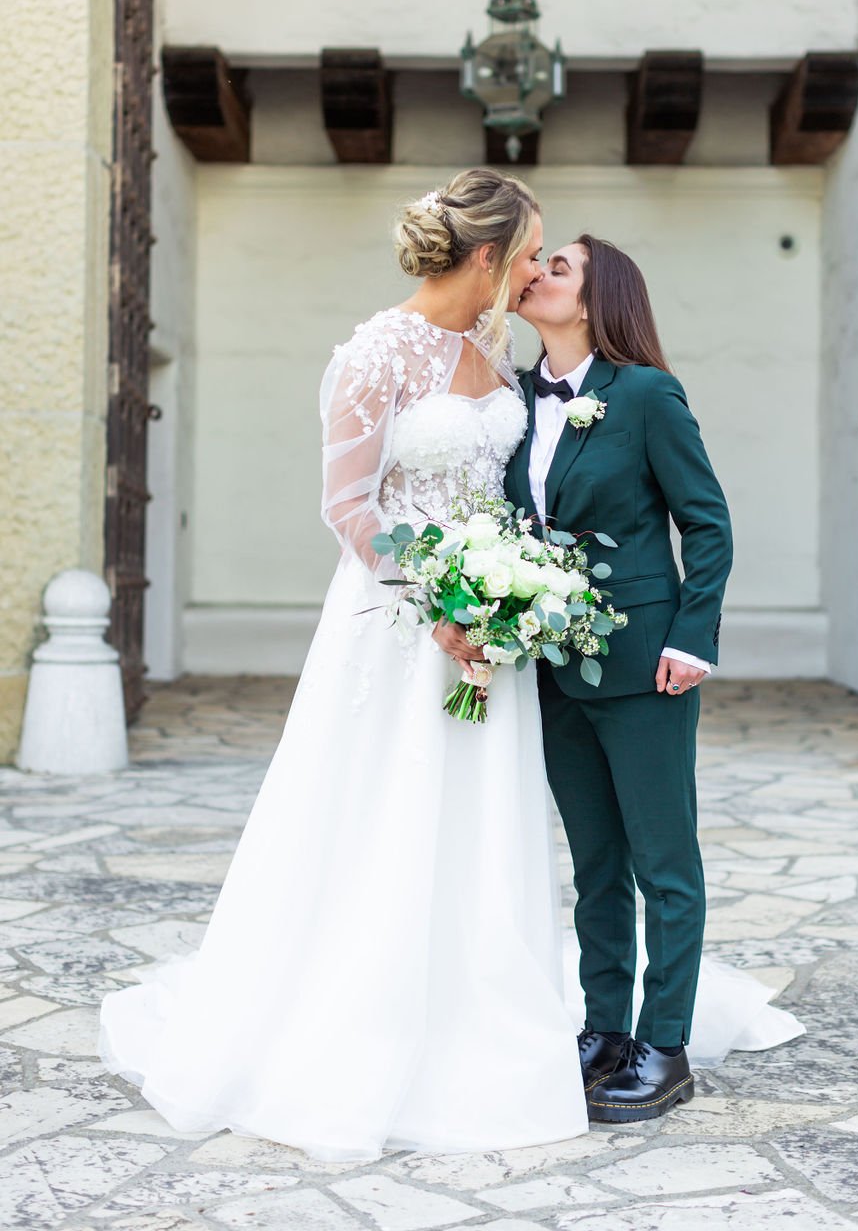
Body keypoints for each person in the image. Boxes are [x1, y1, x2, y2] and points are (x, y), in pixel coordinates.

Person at [98, 168, 591, 1160]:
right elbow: (349, 507)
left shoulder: (490, 347)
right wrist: (443, 600)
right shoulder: (378, 350)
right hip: (399, 624)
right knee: (386, 801)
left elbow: (496, 486)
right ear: (487, 256)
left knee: (480, 809)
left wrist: (507, 594)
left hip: (488, 626)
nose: (540, 266)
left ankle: (478, 1001)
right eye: (530, 248)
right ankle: (363, 1021)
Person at [509, 233, 766, 1122]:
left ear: (592, 299)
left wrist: (694, 638)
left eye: (557, 267)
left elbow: (708, 522)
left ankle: (666, 1046)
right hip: (551, 667)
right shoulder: (513, 399)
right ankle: (606, 1031)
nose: (534, 273)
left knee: (665, 864)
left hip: (647, 664)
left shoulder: (648, 395)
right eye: (535, 264)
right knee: (596, 866)